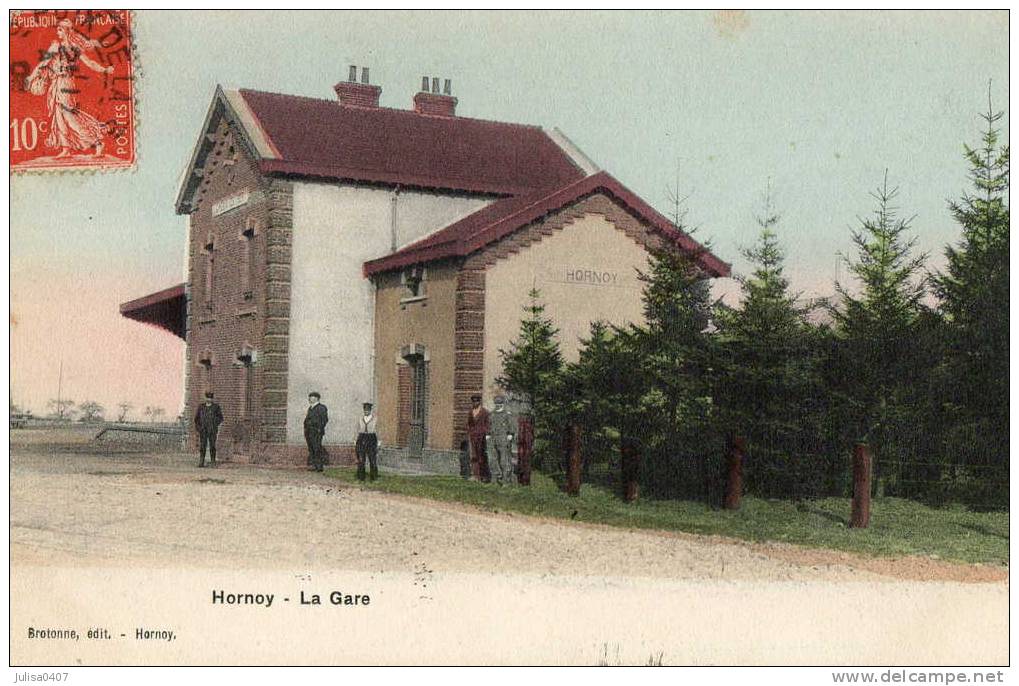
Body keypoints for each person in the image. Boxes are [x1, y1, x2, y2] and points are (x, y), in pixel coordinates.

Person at [24, 19, 114, 158]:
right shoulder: (58, 47)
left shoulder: (71, 48)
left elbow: (89, 63)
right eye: (58, 29)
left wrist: (105, 70)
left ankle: (97, 142)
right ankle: (66, 149)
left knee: (70, 117)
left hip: (65, 84)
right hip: (57, 84)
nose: (57, 32)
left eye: (60, 30)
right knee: (58, 116)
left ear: (66, 31)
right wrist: (31, 77)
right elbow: (43, 64)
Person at [488, 396, 516, 485]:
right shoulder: (491, 414)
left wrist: (510, 434)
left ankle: (505, 480)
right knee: (492, 460)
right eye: (497, 404)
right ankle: (494, 479)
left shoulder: (507, 414)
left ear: (503, 404)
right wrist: (487, 435)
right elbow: (488, 425)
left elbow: (511, 426)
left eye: (500, 403)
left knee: (504, 460)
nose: (498, 405)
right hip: (493, 439)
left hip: (503, 438)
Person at [194, 392, 223, 468]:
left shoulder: (216, 407)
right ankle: (201, 461)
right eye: (207, 398)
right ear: (205, 398)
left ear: (212, 399)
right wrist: (199, 428)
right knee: (203, 446)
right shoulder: (201, 407)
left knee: (212, 446)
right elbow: (196, 419)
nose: (208, 399)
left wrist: (214, 424)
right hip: (203, 430)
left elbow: (220, 418)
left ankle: (213, 461)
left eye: (210, 398)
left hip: (212, 430)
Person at [466, 395, 491, 482]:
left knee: (482, 456)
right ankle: (475, 475)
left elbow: (488, 424)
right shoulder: (470, 412)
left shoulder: (485, 412)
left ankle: (484, 476)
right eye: (473, 401)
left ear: (479, 402)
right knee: (474, 456)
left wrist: (486, 434)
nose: (475, 403)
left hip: (482, 437)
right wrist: (470, 432)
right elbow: (469, 424)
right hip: (473, 437)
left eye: (476, 401)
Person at [304, 392, 328, 472]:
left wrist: (319, 429)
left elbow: (324, 419)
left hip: (316, 432)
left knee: (316, 448)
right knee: (311, 448)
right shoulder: (310, 408)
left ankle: (319, 466)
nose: (310, 399)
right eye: (310, 397)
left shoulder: (321, 408)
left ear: (317, 398)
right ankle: (314, 465)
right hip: (309, 431)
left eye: (312, 397)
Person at [355, 402, 379, 481]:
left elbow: (378, 431)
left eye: (368, 410)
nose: (366, 412)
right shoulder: (360, 419)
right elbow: (357, 429)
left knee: (372, 458)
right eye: (365, 410)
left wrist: (378, 441)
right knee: (361, 458)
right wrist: (355, 439)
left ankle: (373, 477)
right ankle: (361, 476)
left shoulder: (375, 419)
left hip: (371, 438)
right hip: (362, 437)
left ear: (370, 410)